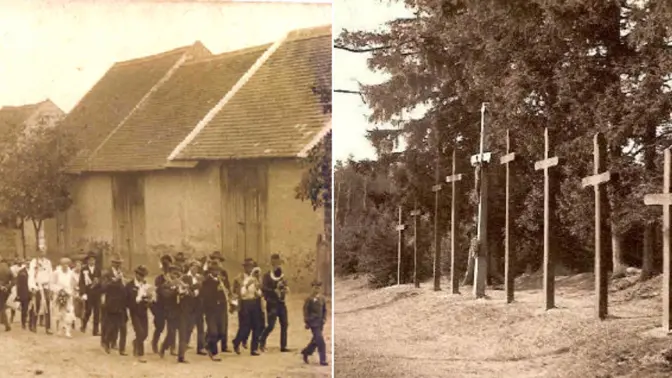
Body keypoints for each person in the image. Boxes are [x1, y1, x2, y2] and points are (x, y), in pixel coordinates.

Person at [260, 253, 290, 352]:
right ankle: (262, 341)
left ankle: (283, 346)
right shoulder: (267, 276)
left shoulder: (282, 275)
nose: (277, 266)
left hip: (281, 303)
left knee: (284, 324)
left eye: (278, 263)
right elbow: (263, 288)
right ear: (271, 264)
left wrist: (285, 289)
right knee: (271, 325)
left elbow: (284, 285)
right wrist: (274, 291)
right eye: (275, 263)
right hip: (272, 303)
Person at [232, 258, 263, 356]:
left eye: (251, 266)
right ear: (244, 267)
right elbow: (239, 293)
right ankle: (237, 341)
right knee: (245, 327)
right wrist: (246, 286)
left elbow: (259, 293)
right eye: (248, 266)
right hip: (244, 303)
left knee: (257, 326)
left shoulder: (256, 277)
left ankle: (254, 348)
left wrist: (258, 289)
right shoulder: (239, 278)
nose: (250, 268)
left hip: (255, 302)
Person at [200, 260, 228, 361]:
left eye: (218, 270)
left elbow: (226, 293)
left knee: (222, 332)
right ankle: (214, 352)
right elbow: (205, 295)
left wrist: (224, 291)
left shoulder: (221, 280)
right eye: (215, 270)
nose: (217, 272)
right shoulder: (207, 281)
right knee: (213, 332)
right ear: (210, 271)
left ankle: (208, 344)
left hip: (221, 309)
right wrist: (217, 289)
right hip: (210, 310)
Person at [101, 253, 128, 355]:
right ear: (112, 263)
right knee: (111, 326)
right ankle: (107, 343)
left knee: (123, 327)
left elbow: (124, 287)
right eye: (116, 263)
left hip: (121, 303)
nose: (118, 265)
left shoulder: (121, 272)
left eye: (119, 263)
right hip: (111, 303)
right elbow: (103, 287)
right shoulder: (107, 273)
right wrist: (114, 281)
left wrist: (123, 282)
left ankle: (122, 349)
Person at [175, 260, 200, 364]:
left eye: (197, 268)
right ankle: (181, 356)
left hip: (194, 308)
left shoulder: (199, 278)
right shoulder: (185, 277)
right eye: (194, 267)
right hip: (184, 308)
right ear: (190, 267)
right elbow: (179, 290)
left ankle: (183, 351)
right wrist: (186, 289)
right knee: (183, 331)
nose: (196, 269)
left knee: (189, 330)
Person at [127, 265, 151, 363]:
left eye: (143, 275)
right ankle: (140, 353)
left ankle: (136, 342)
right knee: (140, 332)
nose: (142, 277)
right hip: (134, 311)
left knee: (145, 333)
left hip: (143, 310)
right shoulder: (130, 285)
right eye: (140, 275)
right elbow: (128, 300)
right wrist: (137, 299)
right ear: (136, 274)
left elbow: (148, 297)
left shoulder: (145, 284)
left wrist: (148, 299)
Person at [208, 251, 232, 353]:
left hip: (222, 301)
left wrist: (227, 292)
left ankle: (224, 345)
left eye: (219, 259)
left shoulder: (224, 272)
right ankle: (210, 344)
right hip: (213, 303)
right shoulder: (208, 272)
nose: (217, 261)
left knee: (223, 324)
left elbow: (227, 285)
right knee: (213, 326)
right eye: (214, 259)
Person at [301, 280, 328, 366]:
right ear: (312, 288)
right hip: (313, 323)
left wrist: (324, 318)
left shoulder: (322, 298)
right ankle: (322, 360)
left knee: (315, 341)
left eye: (319, 287)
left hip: (320, 323)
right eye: (315, 287)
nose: (317, 289)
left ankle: (306, 352)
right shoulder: (309, 299)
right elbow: (305, 311)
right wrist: (307, 321)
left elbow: (324, 310)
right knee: (321, 341)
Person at [151, 254, 174, 354]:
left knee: (172, 329)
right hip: (160, 306)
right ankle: (154, 343)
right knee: (160, 327)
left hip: (171, 306)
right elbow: (160, 291)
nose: (166, 269)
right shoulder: (159, 278)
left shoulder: (173, 277)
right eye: (165, 267)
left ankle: (169, 346)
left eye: (168, 267)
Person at [158, 264, 181, 359]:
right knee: (171, 331)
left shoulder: (178, 283)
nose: (175, 276)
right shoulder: (165, 285)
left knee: (175, 330)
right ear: (169, 273)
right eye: (173, 273)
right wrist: (176, 289)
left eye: (176, 274)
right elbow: (166, 295)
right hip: (168, 311)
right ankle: (163, 347)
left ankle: (171, 348)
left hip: (178, 310)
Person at [28, 248, 53, 334]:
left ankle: (48, 328)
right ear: (37, 252)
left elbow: (50, 275)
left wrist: (50, 288)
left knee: (47, 307)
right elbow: (31, 275)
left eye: (44, 250)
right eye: (40, 251)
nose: (42, 252)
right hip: (37, 286)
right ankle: (33, 325)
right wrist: (32, 287)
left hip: (45, 286)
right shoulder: (34, 262)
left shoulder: (48, 262)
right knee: (36, 306)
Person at [50, 257, 77, 338]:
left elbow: (74, 284)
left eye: (67, 264)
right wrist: (59, 290)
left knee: (69, 312)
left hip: (68, 295)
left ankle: (68, 331)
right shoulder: (56, 273)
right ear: (61, 265)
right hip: (58, 294)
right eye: (63, 264)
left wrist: (71, 292)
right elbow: (52, 283)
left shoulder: (71, 273)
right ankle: (59, 329)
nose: (65, 266)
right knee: (59, 312)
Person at [79, 251, 102, 335]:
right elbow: (81, 282)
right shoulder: (84, 269)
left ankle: (95, 330)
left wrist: (98, 282)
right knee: (88, 311)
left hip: (97, 293)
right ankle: (84, 325)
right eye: (90, 260)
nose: (92, 261)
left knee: (97, 312)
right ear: (87, 261)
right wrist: (83, 293)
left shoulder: (98, 269)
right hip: (88, 293)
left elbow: (101, 280)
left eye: (93, 260)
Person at [12, 257, 30, 329]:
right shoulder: (21, 272)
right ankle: (23, 323)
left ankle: (31, 323)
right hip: (24, 293)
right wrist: (18, 294)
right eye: (27, 263)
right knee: (24, 309)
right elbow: (18, 284)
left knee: (32, 308)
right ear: (25, 264)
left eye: (29, 263)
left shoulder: (34, 271)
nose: (28, 264)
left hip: (32, 292)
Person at [0, 257, 12, 332]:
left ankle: (7, 324)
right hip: (5, 290)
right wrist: (7, 287)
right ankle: (6, 324)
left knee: (2, 307)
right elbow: (13, 279)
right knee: (2, 306)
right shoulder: (7, 267)